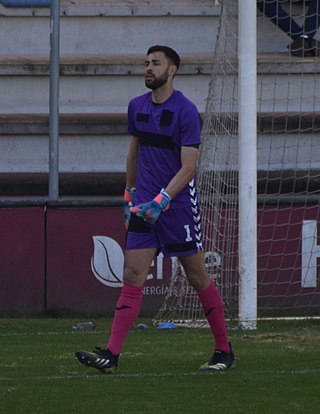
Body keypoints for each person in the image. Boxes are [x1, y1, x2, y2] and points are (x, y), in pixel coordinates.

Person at [75, 45, 235, 374]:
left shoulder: (186, 111)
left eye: (155, 63)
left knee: (196, 275)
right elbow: (133, 154)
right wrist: (129, 194)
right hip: (144, 205)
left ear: (172, 70)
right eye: (146, 63)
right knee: (132, 274)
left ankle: (223, 350)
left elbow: (189, 167)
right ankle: (111, 355)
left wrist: (162, 201)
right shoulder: (136, 107)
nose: (148, 68)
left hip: (175, 207)